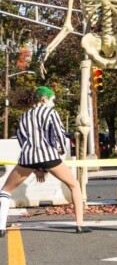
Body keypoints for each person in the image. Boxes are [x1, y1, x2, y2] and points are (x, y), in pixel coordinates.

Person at [0, 86, 89, 235]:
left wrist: (35, 169)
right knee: (74, 185)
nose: (53, 103)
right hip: (50, 156)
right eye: (52, 99)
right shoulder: (51, 113)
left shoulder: (24, 116)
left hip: (27, 158)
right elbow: (60, 134)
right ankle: (80, 224)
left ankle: (1, 227)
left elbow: (21, 139)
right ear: (44, 98)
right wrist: (61, 150)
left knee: (5, 191)